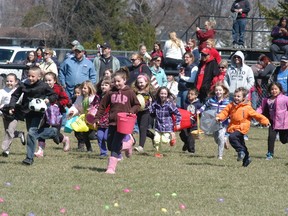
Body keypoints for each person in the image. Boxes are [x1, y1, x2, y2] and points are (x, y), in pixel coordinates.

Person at [8, 66, 58, 165]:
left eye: (33, 76)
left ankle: (29, 158)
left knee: (31, 133)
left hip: (38, 114)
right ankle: (53, 132)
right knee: (31, 134)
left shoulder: (43, 86)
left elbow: (54, 95)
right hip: (27, 113)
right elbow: (15, 95)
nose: (30, 78)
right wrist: (11, 106)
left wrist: (48, 99)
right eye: (29, 75)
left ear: (39, 76)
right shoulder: (24, 84)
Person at [94, 68, 141, 174]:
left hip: (124, 123)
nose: (116, 83)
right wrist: (97, 118)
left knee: (115, 146)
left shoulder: (130, 92)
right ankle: (128, 145)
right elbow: (102, 106)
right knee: (110, 145)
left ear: (124, 80)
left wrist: (131, 111)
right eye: (114, 81)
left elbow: (137, 105)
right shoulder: (110, 93)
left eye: (118, 81)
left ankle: (111, 168)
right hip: (112, 123)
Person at [216, 87, 270, 167]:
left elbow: (256, 115)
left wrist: (265, 121)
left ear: (243, 98)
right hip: (233, 127)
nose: (236, 98)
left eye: (238, 96)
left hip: (242, 128)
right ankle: (246, 159)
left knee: (232, 137)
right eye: (235, 96)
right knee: (241, 143)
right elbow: (225, 112)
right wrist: (219, 117)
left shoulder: (247, 107)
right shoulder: (231, 105)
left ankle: (240, 151)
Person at [34, 72, 70, 157]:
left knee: (55, 135)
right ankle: (40, 151)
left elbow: (66, 99)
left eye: (49, 80)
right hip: (44, 114)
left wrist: (57, 104)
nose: (47, 82)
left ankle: (65, 139)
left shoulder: (58, 88)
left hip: (56, 115)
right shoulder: (41, 88)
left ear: (54, 81)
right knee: (41, 130)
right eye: (45, 80)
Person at [197, 82, 230, 159]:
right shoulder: (211, 100)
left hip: (223, 122)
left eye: (220, 90)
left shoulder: (227, 102)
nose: (218, 92)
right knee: (216, 139)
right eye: (216, 90)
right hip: (213, 122)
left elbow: (231, 110)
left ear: (224, 91)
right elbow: (205, 106)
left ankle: (220, 156)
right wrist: (200, 111)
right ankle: (224, 141)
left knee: (221, 137)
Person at [257, 82, 288, 160]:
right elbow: (261, 108)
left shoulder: (285, 99)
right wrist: (255, 113)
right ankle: (270, 154)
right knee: (271, 137)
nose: (274, 91)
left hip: (283, 123)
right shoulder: (266, 100)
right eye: (272, 89)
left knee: (283, 140)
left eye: (276, 89)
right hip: (272, 122)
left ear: (280, 90)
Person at [149, 86, 181, 158]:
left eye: (165, 94)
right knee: (156, 140)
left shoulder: (169, 104)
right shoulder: (156, 104)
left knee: (164, 141)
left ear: (167, 95)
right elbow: (151, 112)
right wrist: (150, 103)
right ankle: (158, 153)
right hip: (158, 126)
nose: (163, 95)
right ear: (159, 94)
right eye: (161, 93)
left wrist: (178, 123)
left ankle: (172, 137)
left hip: (167, 127)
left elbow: (178, 114)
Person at [0, 73, 25, 157]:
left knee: (10, 131)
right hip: (4, 114)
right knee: (7, 131)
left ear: (16, 82)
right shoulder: (2, 91)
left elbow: (21, 101)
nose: (9, 83)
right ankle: (19, 134)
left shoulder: (18, 91)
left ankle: (5, 148)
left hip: (14, 113)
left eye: (11, 81)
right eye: (7, 81)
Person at [67, 80, 97, 152]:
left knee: (91, 135)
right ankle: (89, 149)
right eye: (82, 88)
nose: (83, 89)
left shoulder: (93, 98)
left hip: (92, 119)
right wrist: (72, 111)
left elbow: (96, 107)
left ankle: (101, 138)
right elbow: (76, 106)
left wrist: (92, 113)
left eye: (85, 88)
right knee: (84, 134)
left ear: (90, 89)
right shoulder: (80, 98)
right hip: (83, 118)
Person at [132, 74, 156, 153]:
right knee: (142, 129)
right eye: (138, 83)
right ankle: (153, 136)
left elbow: (156, 100)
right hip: (138, 112)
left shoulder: (150, 91)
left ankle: (141, 146)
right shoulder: (135, 91)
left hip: (147, 112)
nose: (140, 84)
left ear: (147, 82)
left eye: (142, 82)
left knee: (143, 127)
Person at [180, 88, 202, 154]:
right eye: (189, 94)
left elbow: (201, 113)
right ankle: (186, 143)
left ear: (196, 95)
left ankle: (191, 150)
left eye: (192, 94)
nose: (189, 95)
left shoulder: (198, 104)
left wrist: (199, 113)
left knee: (191, 136)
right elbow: (182, 111)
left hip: (193, 124)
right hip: (185, 123)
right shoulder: (185, 103)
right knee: (182, 134)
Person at [95, 77, 112, 157]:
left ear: (110, 86)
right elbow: (94, 106)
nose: (103, 86)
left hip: (109, 121)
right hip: (100, 120)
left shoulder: (112, 96)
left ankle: (115, 149)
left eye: (106, 85)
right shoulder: (98, 97)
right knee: (99, 136)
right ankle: (103, 152)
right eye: (102, 85)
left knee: (106, 137)